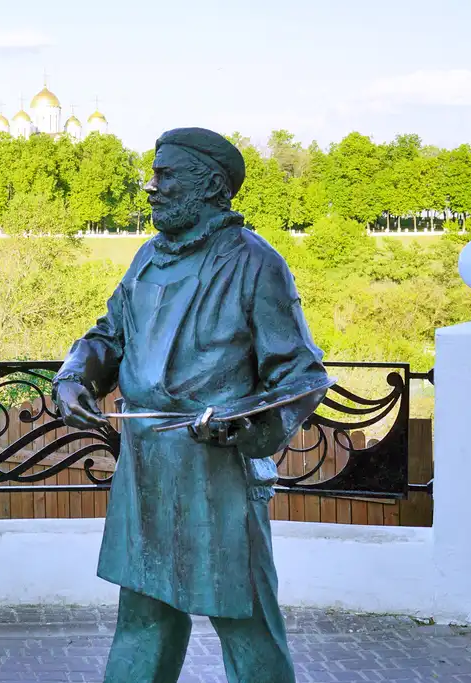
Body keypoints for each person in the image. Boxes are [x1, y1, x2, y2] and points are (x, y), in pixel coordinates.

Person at [53, 128, 329, 682]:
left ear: (208, 188)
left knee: (246, 621)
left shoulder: (255, 264)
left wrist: (246, 421)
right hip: (149, 470)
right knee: (144, 618)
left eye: (165, 176)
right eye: (153, 174)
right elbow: (110, 335)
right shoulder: (147, 260)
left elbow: (301, 376)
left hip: (219, 473)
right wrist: (75, 375)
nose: (150, 188)